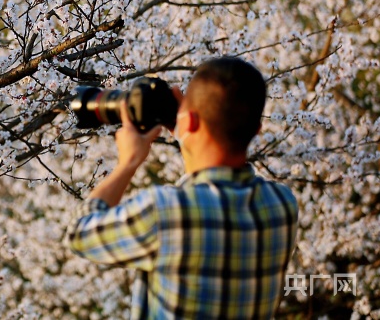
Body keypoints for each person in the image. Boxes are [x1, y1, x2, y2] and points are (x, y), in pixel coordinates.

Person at [67, 56, 298, 319]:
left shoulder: (165, 213)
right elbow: (209, 198)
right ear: (256, 130)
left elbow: (79, 234)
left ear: (190, 121)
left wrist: (128, 162)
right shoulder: (282, 204)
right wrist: (189, 127)